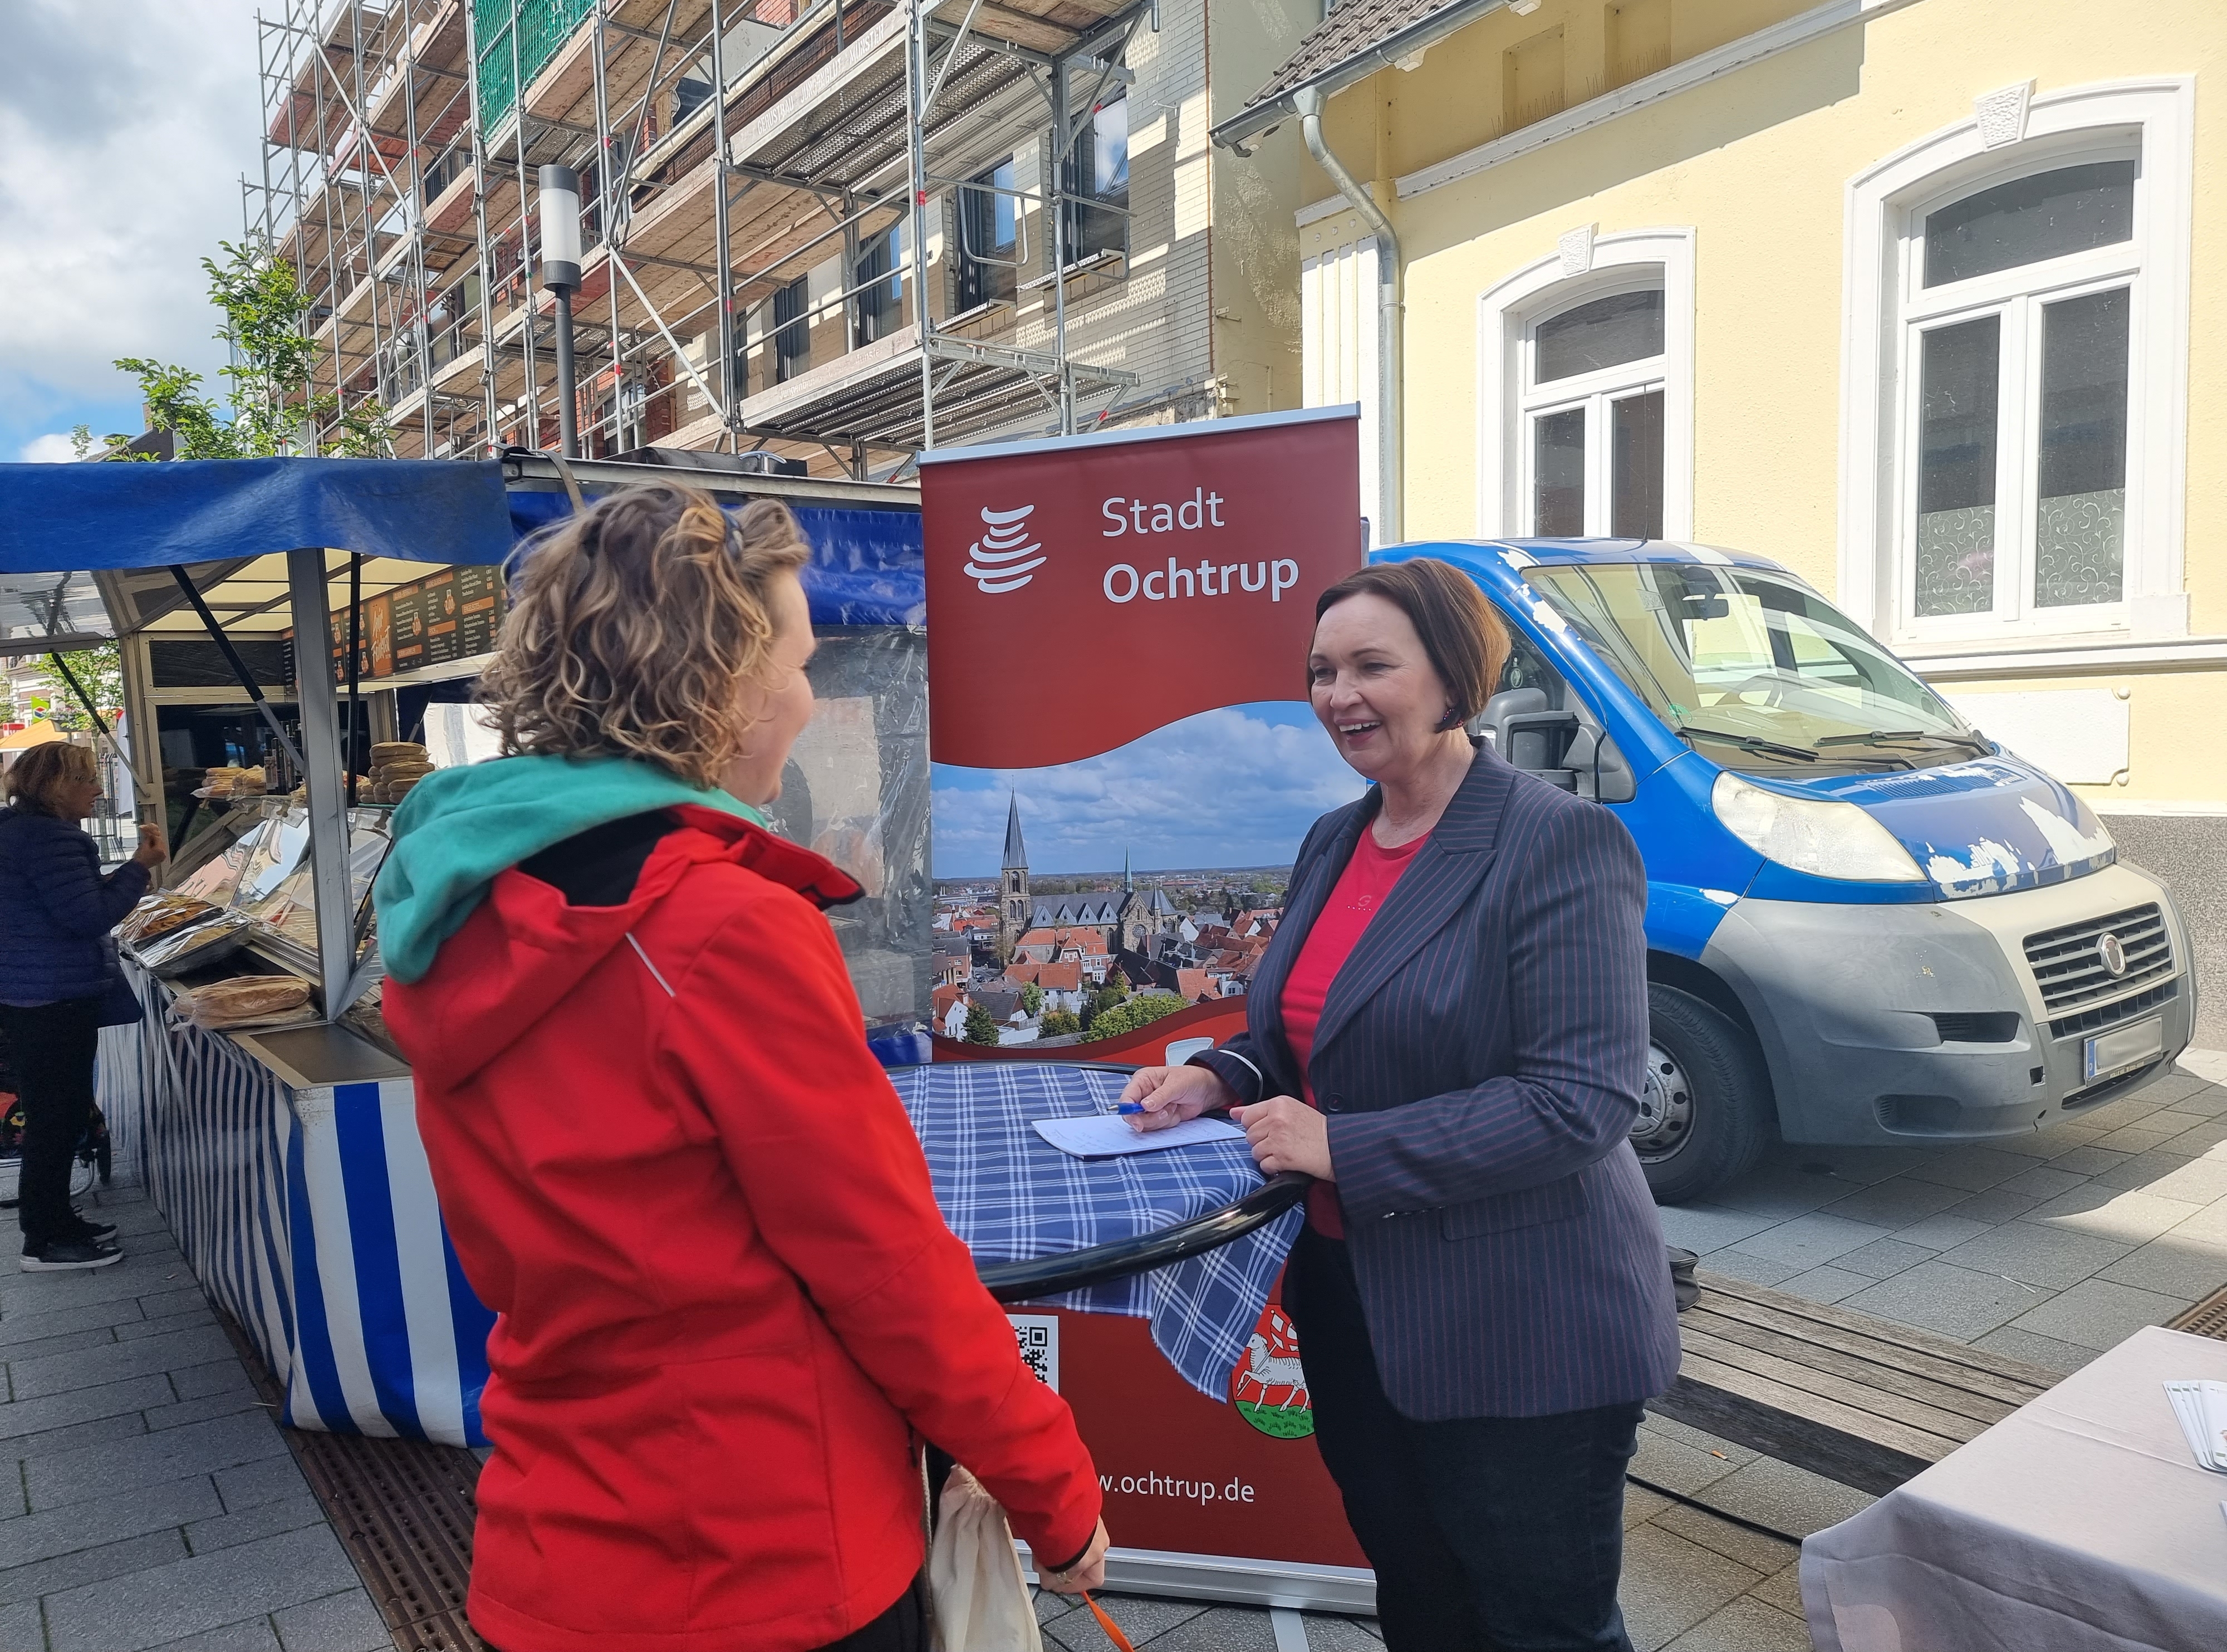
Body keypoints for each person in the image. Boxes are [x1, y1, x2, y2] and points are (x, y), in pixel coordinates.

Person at [375, 485, 1107, 1652]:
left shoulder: (463, 907)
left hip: (557, 1535)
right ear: (715, 679)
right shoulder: (719, 926)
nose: (811, 698)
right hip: (764, 1544)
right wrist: (1051, 1485)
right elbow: (885, 1268)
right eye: (800, 664)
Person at [1124, 558, 1680, 1652]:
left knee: (1542, 1627)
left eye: (1371, 665)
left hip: (1520, 1321)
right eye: (1321, 670)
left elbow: (1581, 1100)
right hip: (1353, 1304)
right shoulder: (1334, 839)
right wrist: (1221, 1075)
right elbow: (1311, 1032)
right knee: (1418, 1603)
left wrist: (1339, 1144)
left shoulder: (1554, 842)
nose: (1339, 695)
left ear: (1452, 677)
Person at [0, 739, 165, 1272]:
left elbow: (71, 903)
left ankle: (57, 1220)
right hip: (52, 996)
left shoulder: (20, 830)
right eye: (87, 780)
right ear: (54, 787)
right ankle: (44, 1241)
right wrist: (141, 866)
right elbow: (87, 918)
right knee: (55, 1117)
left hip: (30, 992)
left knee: (57, 1110)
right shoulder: (49, 838)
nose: (98, 790)